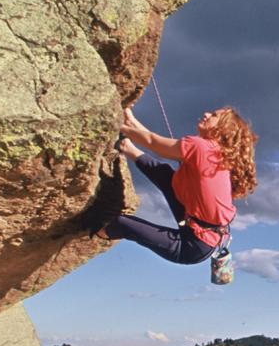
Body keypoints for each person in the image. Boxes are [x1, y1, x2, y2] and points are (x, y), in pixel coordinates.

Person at [94, 106, 257, 265]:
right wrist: (131, 122)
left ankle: (96, 232)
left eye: (214, 115)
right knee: (168, 177)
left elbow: (153, 142)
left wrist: (115, 125)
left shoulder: (201, 147)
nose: (207, 114)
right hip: (198, 224)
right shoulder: (214, 152)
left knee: (121, 224)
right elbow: (153, 140)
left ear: (222, 129)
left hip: (192, 247)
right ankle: (126, 146)